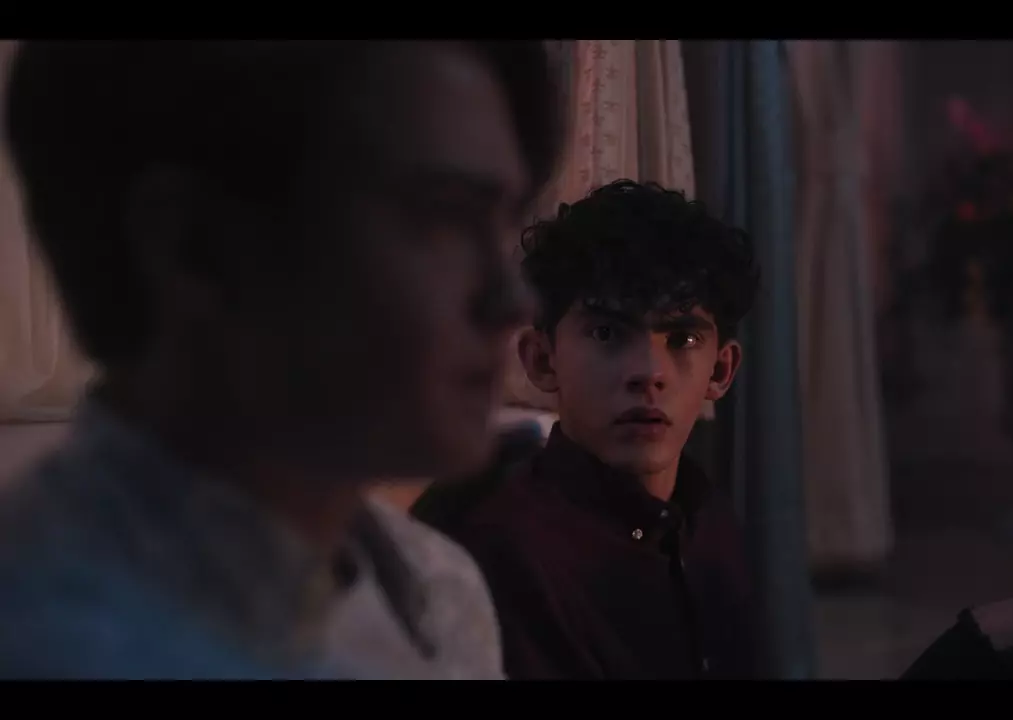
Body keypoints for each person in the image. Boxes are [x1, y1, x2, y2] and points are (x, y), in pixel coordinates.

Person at [0, 40, 562, 679]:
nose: (512, 300)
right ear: (195, 248)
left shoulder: (441, 594)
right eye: (442, 218)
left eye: (505, 223)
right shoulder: (43, 640)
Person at [418, 179, 763, 679]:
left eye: (683, 338)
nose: (648, 372)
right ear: (542, 360)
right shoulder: (509, 556)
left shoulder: (708, 522)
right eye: (607, 333)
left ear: (721, 371)